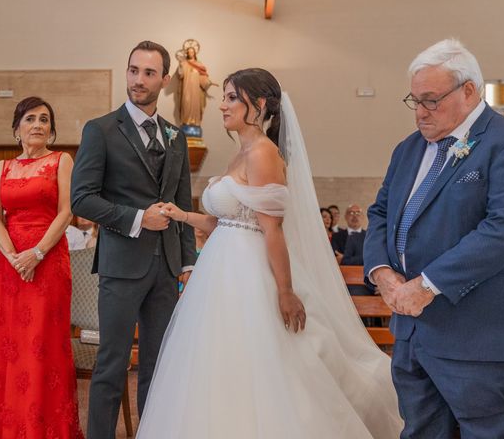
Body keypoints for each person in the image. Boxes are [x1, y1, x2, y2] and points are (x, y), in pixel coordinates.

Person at [136, 68, 402, 438]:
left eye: (232, 98)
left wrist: (285, 291)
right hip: (219, 271)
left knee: (258, 362)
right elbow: (225, 223)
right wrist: (181, 214)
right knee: (214, 362)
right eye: (224, 97)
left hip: (249, 274)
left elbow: (271, 229)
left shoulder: (263, 153)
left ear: (258, 105)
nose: (223, 106)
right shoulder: (239, 152)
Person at [364, 38, 504, 438]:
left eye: (431, 100)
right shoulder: (407, 150)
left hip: (474, 339)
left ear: (468, 91)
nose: (420, 113)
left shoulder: (501, 142)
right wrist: (382, 273)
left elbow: (502, 229)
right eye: (414, 101)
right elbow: (379, 213)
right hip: (411, 334)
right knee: (422, 431)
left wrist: (427, 286)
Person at [71, 40, 196, 439]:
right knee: (112, 363)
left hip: (166, 268)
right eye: (132, 70)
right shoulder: (101, 130)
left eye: (147, 73)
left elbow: (182, 203)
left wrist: (189, 262)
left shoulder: (176, 137)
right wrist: (139, 218)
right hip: (121, 265)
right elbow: (82, 198)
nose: (137, 80)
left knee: (159, 365)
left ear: (164, 79)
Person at [0, 97, 83, 439]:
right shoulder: (1, 168)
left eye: (44, 119)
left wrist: (36, 253)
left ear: (51, 129)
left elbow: (67, 212)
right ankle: (9, 426)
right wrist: (10, 255)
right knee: (11, 345)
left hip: (48, 260)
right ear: (16, 128)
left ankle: (43, 428)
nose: (38, 124)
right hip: (10, 265)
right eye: (30, 119)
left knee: (42, 344)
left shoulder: (61, 161)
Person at [176, 40, 215, 127]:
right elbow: (180, 75)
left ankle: (195, 122)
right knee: (186, 104)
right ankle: (186, 122)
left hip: (196, 91)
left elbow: (203, 77)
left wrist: (208, 82)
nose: (191, 53)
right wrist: (181, 66)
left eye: (192, 52)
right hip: (186, 89)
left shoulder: (199, 64)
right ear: (187, 53)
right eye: (189, 52)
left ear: (194, 53)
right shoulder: (184, 63)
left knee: (196, 106)